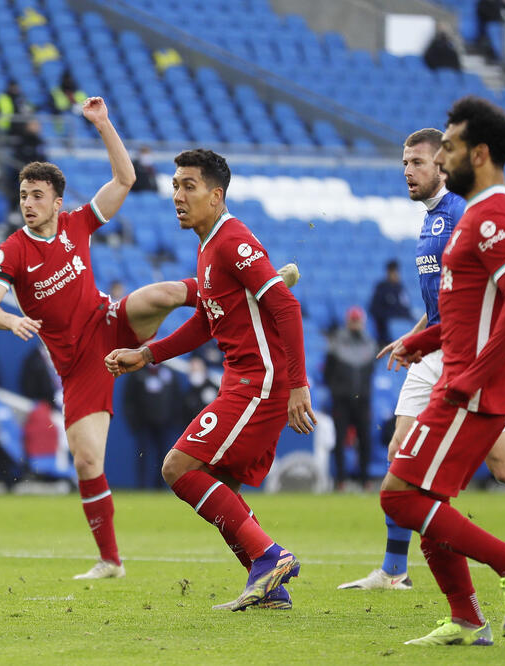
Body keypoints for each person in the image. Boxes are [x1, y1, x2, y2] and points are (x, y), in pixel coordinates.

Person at [0, 97, 199, 579]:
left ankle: (227, 292)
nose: (28, 204)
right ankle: (110, 561)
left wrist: (102, 124)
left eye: (37, 195)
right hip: (78, 364)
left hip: (110, 323)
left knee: (157, 293)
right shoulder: (13, 250)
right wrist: (10, 320)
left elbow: (126, 180)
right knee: (87, 460)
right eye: (23, 195)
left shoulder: (78, 223)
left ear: (57, 201)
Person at [340, 125, 505, 594]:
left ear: (443, 165)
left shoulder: (461, 212)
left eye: (417, 163)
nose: (407, 172)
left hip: (466, 351)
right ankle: (395, 571)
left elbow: (494, 284)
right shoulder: (431, 218)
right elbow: (447, 295)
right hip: (435, 347)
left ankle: (495, 574)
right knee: (399, 453)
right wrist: (414, 335)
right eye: (404, 163)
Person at [105, 148, 316, 611]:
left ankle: (269, 556)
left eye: (189, 186)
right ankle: (270, 587)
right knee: (219, 486)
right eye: (175, 186)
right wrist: (147, 354)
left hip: (260, 384)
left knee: (177, 468)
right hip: (242, 382)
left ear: (216, 196)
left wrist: (299, 384)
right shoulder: (207, 246)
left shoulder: (231, 240)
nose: (177, 196)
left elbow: (285, 306)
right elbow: (206, 321)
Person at [323, 305, 376, 490]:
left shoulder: (369, 343)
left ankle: (365, 479)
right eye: (353, 320)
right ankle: (341, 480)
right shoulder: (337, 343)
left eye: (357, 320)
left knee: (365, 440)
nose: (355, 324)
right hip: (342, 400)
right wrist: (337, 390)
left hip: (362, 400)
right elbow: (327, 372)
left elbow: (370, 373)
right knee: (339, 440)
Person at [122, 362, 181, 489]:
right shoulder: (137, 373)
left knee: (164, 456)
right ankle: (142, 486)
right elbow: (129, 399)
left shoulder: (168, 373)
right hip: (144, 424)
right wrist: (134, 423)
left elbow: (176, 397)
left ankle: (159, 486)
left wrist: (173, 421)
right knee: (143, 456)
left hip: (164, 424)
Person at [368, 259, 414, 344]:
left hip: (401, 323)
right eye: (393, 271)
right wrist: (390, 317)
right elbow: (374, 309)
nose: (396, 274)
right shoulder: (381, 288)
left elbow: (406, 306)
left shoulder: (400, 287)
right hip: (385, 330)